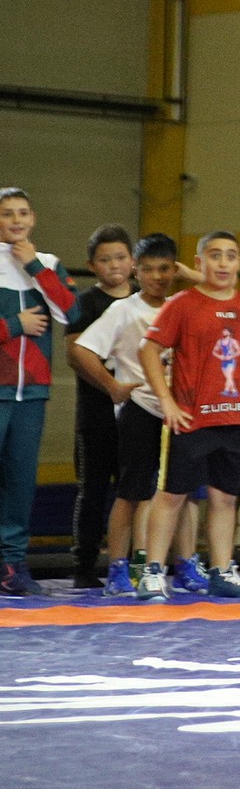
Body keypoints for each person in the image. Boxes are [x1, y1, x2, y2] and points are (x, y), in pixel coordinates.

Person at [132, 231, 240, 603]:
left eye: (231, 255)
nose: (224, 263)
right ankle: (152, 572)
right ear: (199, 263)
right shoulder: (183, 304)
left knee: (225, 498)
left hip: (233, 420)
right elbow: (149, 350)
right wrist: (165, 400)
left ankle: (222, 570)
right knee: (172, 496)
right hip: (191, 420)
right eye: (215, 255)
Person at [70, 233, 179, 598]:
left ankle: (153, 565)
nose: (157, 277)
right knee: (131, 491)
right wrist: (112, 385)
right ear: (137, 269)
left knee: (174, 493)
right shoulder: (123, 310)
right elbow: (82, 350)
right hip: (139, 407)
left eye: (165, 269)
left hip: (177, 410)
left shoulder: (183, 305)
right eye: (148, 269)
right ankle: (117, 566)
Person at [0, 188, 75, 596]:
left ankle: (12, 565)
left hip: (32, 394)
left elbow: (71, 312)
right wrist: (15, 324)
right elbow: (20, 325)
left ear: (33, 218)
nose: (16, 220)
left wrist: (33, 266)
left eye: (23, 213)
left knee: (21, 480)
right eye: (7, 213)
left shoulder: (47, 264)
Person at [66, 223, 135, 587]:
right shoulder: (86, 303)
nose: (114, 265)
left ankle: (132, 562)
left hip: (139, 415)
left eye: (121, 257)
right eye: (105, 260)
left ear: (134, 260)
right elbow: (75, 353)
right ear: (92, 265)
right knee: (92, 490)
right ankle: (84, 566)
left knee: (137, 490)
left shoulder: (144, 298)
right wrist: (111, 386)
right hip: (95, 413)